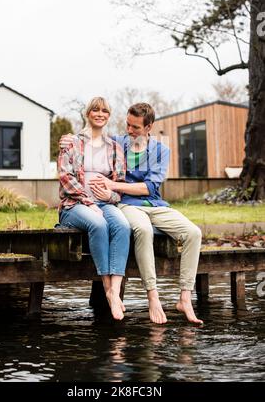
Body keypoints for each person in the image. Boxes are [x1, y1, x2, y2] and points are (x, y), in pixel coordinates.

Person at [60, 103, 203, 325]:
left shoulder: (160, 150)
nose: (129, 130)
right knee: (143, 230)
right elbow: (91, 136)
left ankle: (185, 297)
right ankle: (152, 296)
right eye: (127, 124)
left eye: (135, 127)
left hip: (156, 204)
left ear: (149, 127)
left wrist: (112, 185)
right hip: (127, 205)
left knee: (193, 233)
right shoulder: (118, 143)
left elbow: (150, 188)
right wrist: (67, 138)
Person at [57, 97, 131, 321]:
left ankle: (115, 291)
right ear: (88, 113)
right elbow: (65, 177)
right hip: (74, 205)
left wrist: (111, 195)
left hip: (104, 203)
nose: (100, 114)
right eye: (96, 110)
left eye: (105, 111)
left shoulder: (115, 148)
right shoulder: (71, 142)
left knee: (122, 225)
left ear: (109, 116)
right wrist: (88, 202)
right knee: (98, 224)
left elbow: (121, 183)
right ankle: (107, 290)